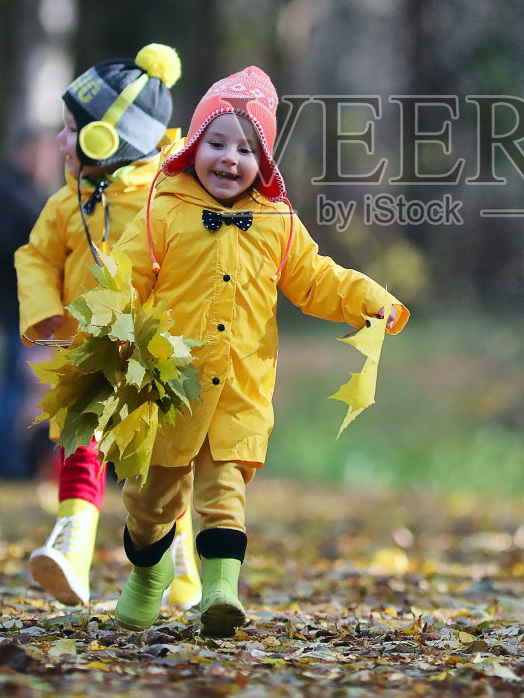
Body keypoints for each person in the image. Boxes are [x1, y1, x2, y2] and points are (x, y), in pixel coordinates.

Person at [109, 66, 408, 636]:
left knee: (224, 493)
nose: (228, 159)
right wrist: (118, 331)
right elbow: (127, 276)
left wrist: (367, 298)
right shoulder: (163, 208)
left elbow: (316, 279)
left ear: (264, 161)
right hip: (167, 386)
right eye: (216, 143)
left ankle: (220, 593)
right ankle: (149, 574)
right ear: (194, 144)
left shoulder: (277, 222)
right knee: (149, 502)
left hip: (240, 387)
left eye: (246, 149)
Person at [14, 44, 200, 610]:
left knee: (162, 465)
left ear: (105, 140)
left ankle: (182, 562)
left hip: (150, 353)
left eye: (72, 131)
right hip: (87, 353)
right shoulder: (67, 204)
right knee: (81, 439)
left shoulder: (164, 201)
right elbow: (36, 257)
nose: (61, 143)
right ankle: (71, 547)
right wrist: (44, 309)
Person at [0, 125, 61, 481]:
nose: (48, 161)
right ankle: (5, 463)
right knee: (14, 384)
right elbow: (5, 252)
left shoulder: (31, 193)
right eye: (42, 153)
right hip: (18, 306)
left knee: (25, 384)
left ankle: (18, 462)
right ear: (23, 152)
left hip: (30, 306)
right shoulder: (9, 194)